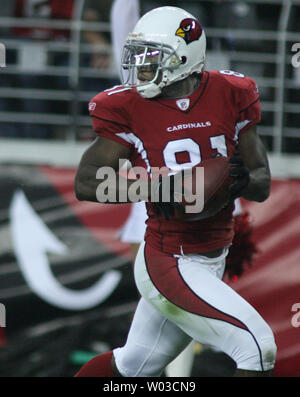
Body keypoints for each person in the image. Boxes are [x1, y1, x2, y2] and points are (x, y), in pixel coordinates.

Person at [74, 6, 277, 377]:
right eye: (139, 58)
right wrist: (155, 186)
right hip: (170, 258)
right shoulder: (126, 106)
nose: (141, 69)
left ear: (184, 58)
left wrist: (238, 180)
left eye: (152, 58)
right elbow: (86, 182)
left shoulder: (232, 92)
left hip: (213, 254)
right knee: (256, 347)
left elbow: (262, 182)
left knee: (133, 364)